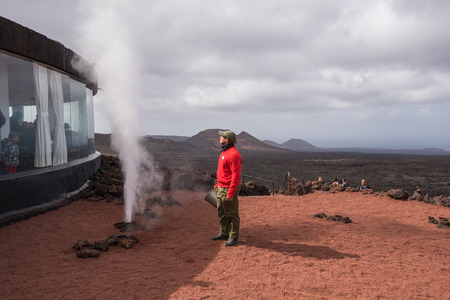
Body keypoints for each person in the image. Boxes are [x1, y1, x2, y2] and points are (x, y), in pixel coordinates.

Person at [212, 130, 242, 247]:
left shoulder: (234, 155)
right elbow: (223, 172)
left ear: (227, 140)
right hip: (221, 187)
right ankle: (224, 233)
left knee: (232, 213)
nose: (220, 137)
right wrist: (218, 184)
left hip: (228, 188)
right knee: (221, 211)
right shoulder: (224, 152)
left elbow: (236, 176)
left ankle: (233, 237)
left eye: (222, 136)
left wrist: (231, 193)